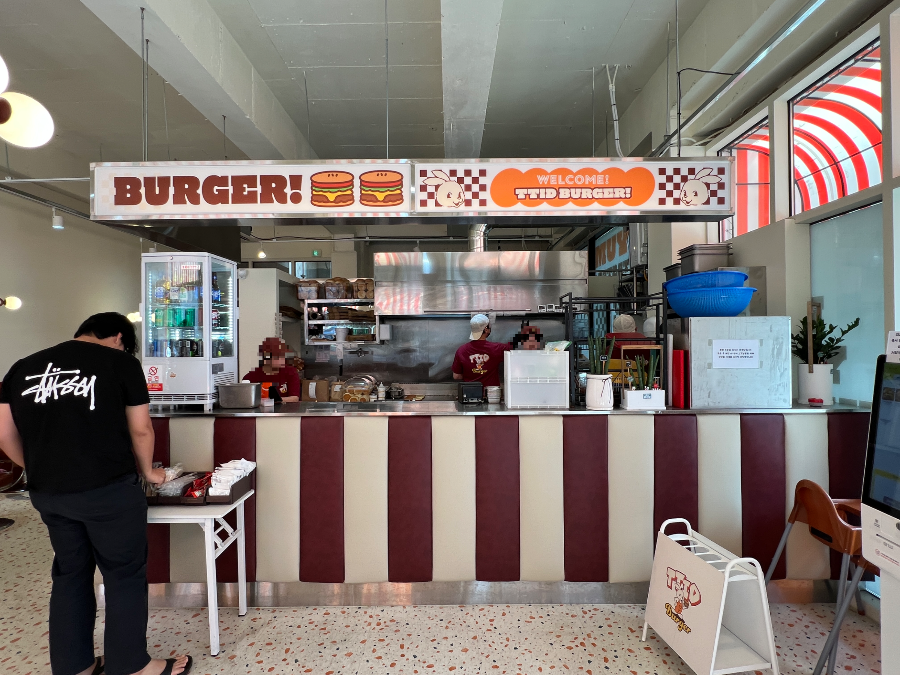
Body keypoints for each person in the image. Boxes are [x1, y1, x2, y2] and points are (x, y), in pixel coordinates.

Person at [0, 312, 192, 675]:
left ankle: (75, 666)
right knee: (123, 574)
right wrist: (150, 472)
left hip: (50, 493)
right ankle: (131, 665)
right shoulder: (121, 363)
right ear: (118, 337)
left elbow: (4, 433)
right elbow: (141, 429)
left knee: (69, 574)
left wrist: (39, 468)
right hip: (108, 489)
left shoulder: (22, 368)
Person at [451, 314, 512, 387]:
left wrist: (472, 374)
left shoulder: (461, 350)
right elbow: (517, 347)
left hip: (470, 392)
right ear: (486, 329)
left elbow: (456, 376)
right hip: (491, 393)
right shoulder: (497, 348)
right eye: (489, 326)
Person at [241, 337, 301, 402]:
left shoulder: (291, 372)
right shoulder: (250, 378)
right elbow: (245, 400)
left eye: (283, 356)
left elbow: (295, 398)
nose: (282, 359)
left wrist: (272, 401)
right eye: (278, 357)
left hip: (285, 408)